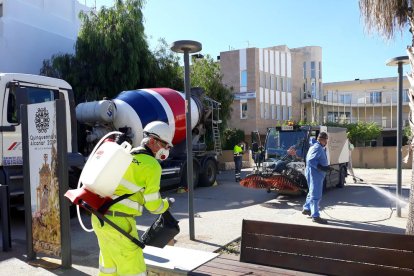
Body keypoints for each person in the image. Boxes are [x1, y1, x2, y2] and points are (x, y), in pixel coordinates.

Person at [91, 121, 172, 276]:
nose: (166, 150)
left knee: (109, 266)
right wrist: (166, 204)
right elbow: (154, 205)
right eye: (165, 145)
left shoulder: (126, 154)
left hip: (100, 218)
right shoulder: (152, 165)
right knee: (134, 270)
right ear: (153, 141)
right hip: (120, 224)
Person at [302, 132, 330, 224]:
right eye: (326, 140)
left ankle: (306, 208)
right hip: (315, 175)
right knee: (316, 195)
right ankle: (315, 216)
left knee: (311, 192)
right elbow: (311, 160)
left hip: (314, 173)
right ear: (323, 139)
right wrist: (322, 167)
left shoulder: (315, 146)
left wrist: (325, 167)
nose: (326, 142)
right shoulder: (317, 147)